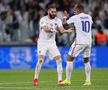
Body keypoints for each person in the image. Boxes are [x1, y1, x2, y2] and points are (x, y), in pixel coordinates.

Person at [33, 5, 72, 86]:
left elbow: (61, 30)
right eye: (52, 12)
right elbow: (44, 28)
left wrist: (66, 30)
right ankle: (36, 78)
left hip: (52, 43)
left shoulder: (57, 20)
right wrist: (51, 29)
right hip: (42, 43)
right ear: (48, 11)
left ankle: (60, 80)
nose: (54, 13)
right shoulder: (43, 19)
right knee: (40, 60)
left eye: (55, 12)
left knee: (59, 60)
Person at [62, 4, 93, 86]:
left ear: (78, 10)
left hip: (79, 41)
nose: (74, 11)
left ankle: (68, 80)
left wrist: (65, 16)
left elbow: (64, 24)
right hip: (89, 42)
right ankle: (88, 81)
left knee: (69, 58)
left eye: (75, 9)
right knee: (86, 60)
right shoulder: (89, 17)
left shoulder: (75, 17)